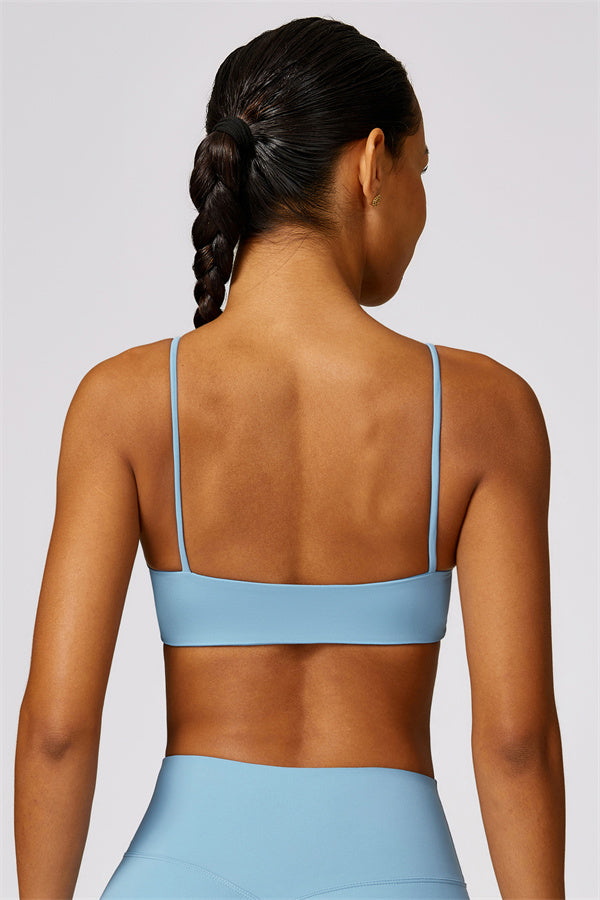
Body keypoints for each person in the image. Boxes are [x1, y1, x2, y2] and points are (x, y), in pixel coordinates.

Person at [14, 15, 565, 900]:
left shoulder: (123, 402)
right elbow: (515, 743)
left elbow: (57, 731)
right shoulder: (485, 411)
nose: (422, 206)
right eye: (421, 172)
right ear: (373, 163)